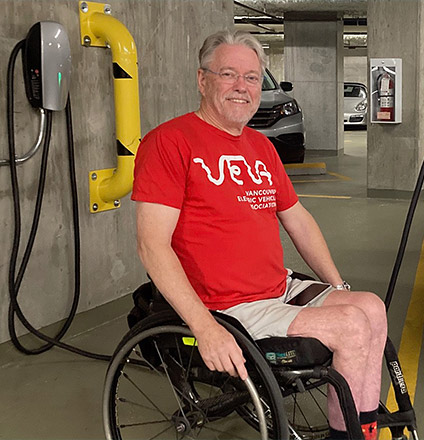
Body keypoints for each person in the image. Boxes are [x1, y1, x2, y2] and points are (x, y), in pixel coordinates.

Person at [131, 30, 387, 439]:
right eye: (228, 74)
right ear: (203, 80)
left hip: (276, 288)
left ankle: (362, 429)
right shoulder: (170, 142)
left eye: (252, 77)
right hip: (229, 306)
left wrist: (335, 284)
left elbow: (297, 218)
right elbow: (151, 245)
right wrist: (204, 327)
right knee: (352, 327)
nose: (242, 87)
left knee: (371, 307)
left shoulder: (260, 147)